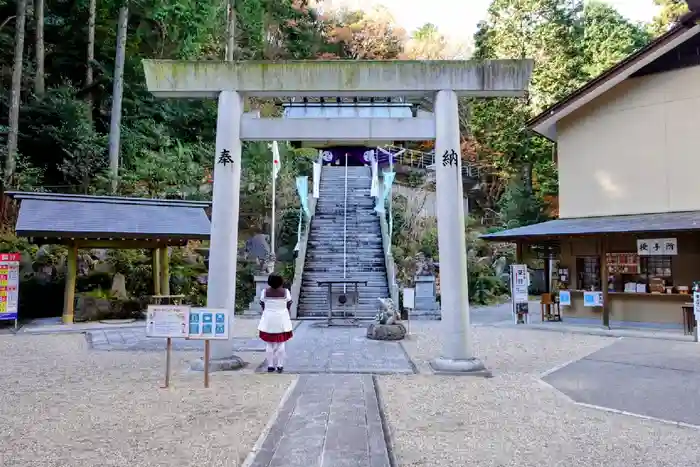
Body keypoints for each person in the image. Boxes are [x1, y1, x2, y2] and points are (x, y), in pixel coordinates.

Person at [258, 273, 293, 373]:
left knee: (269, 343)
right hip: (282, 318)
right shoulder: (286, 292)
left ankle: (270, 365)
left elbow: (262, 304)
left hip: (268, 319)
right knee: (281, 343)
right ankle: (280, 365)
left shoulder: (264, 292)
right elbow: (289, 304)